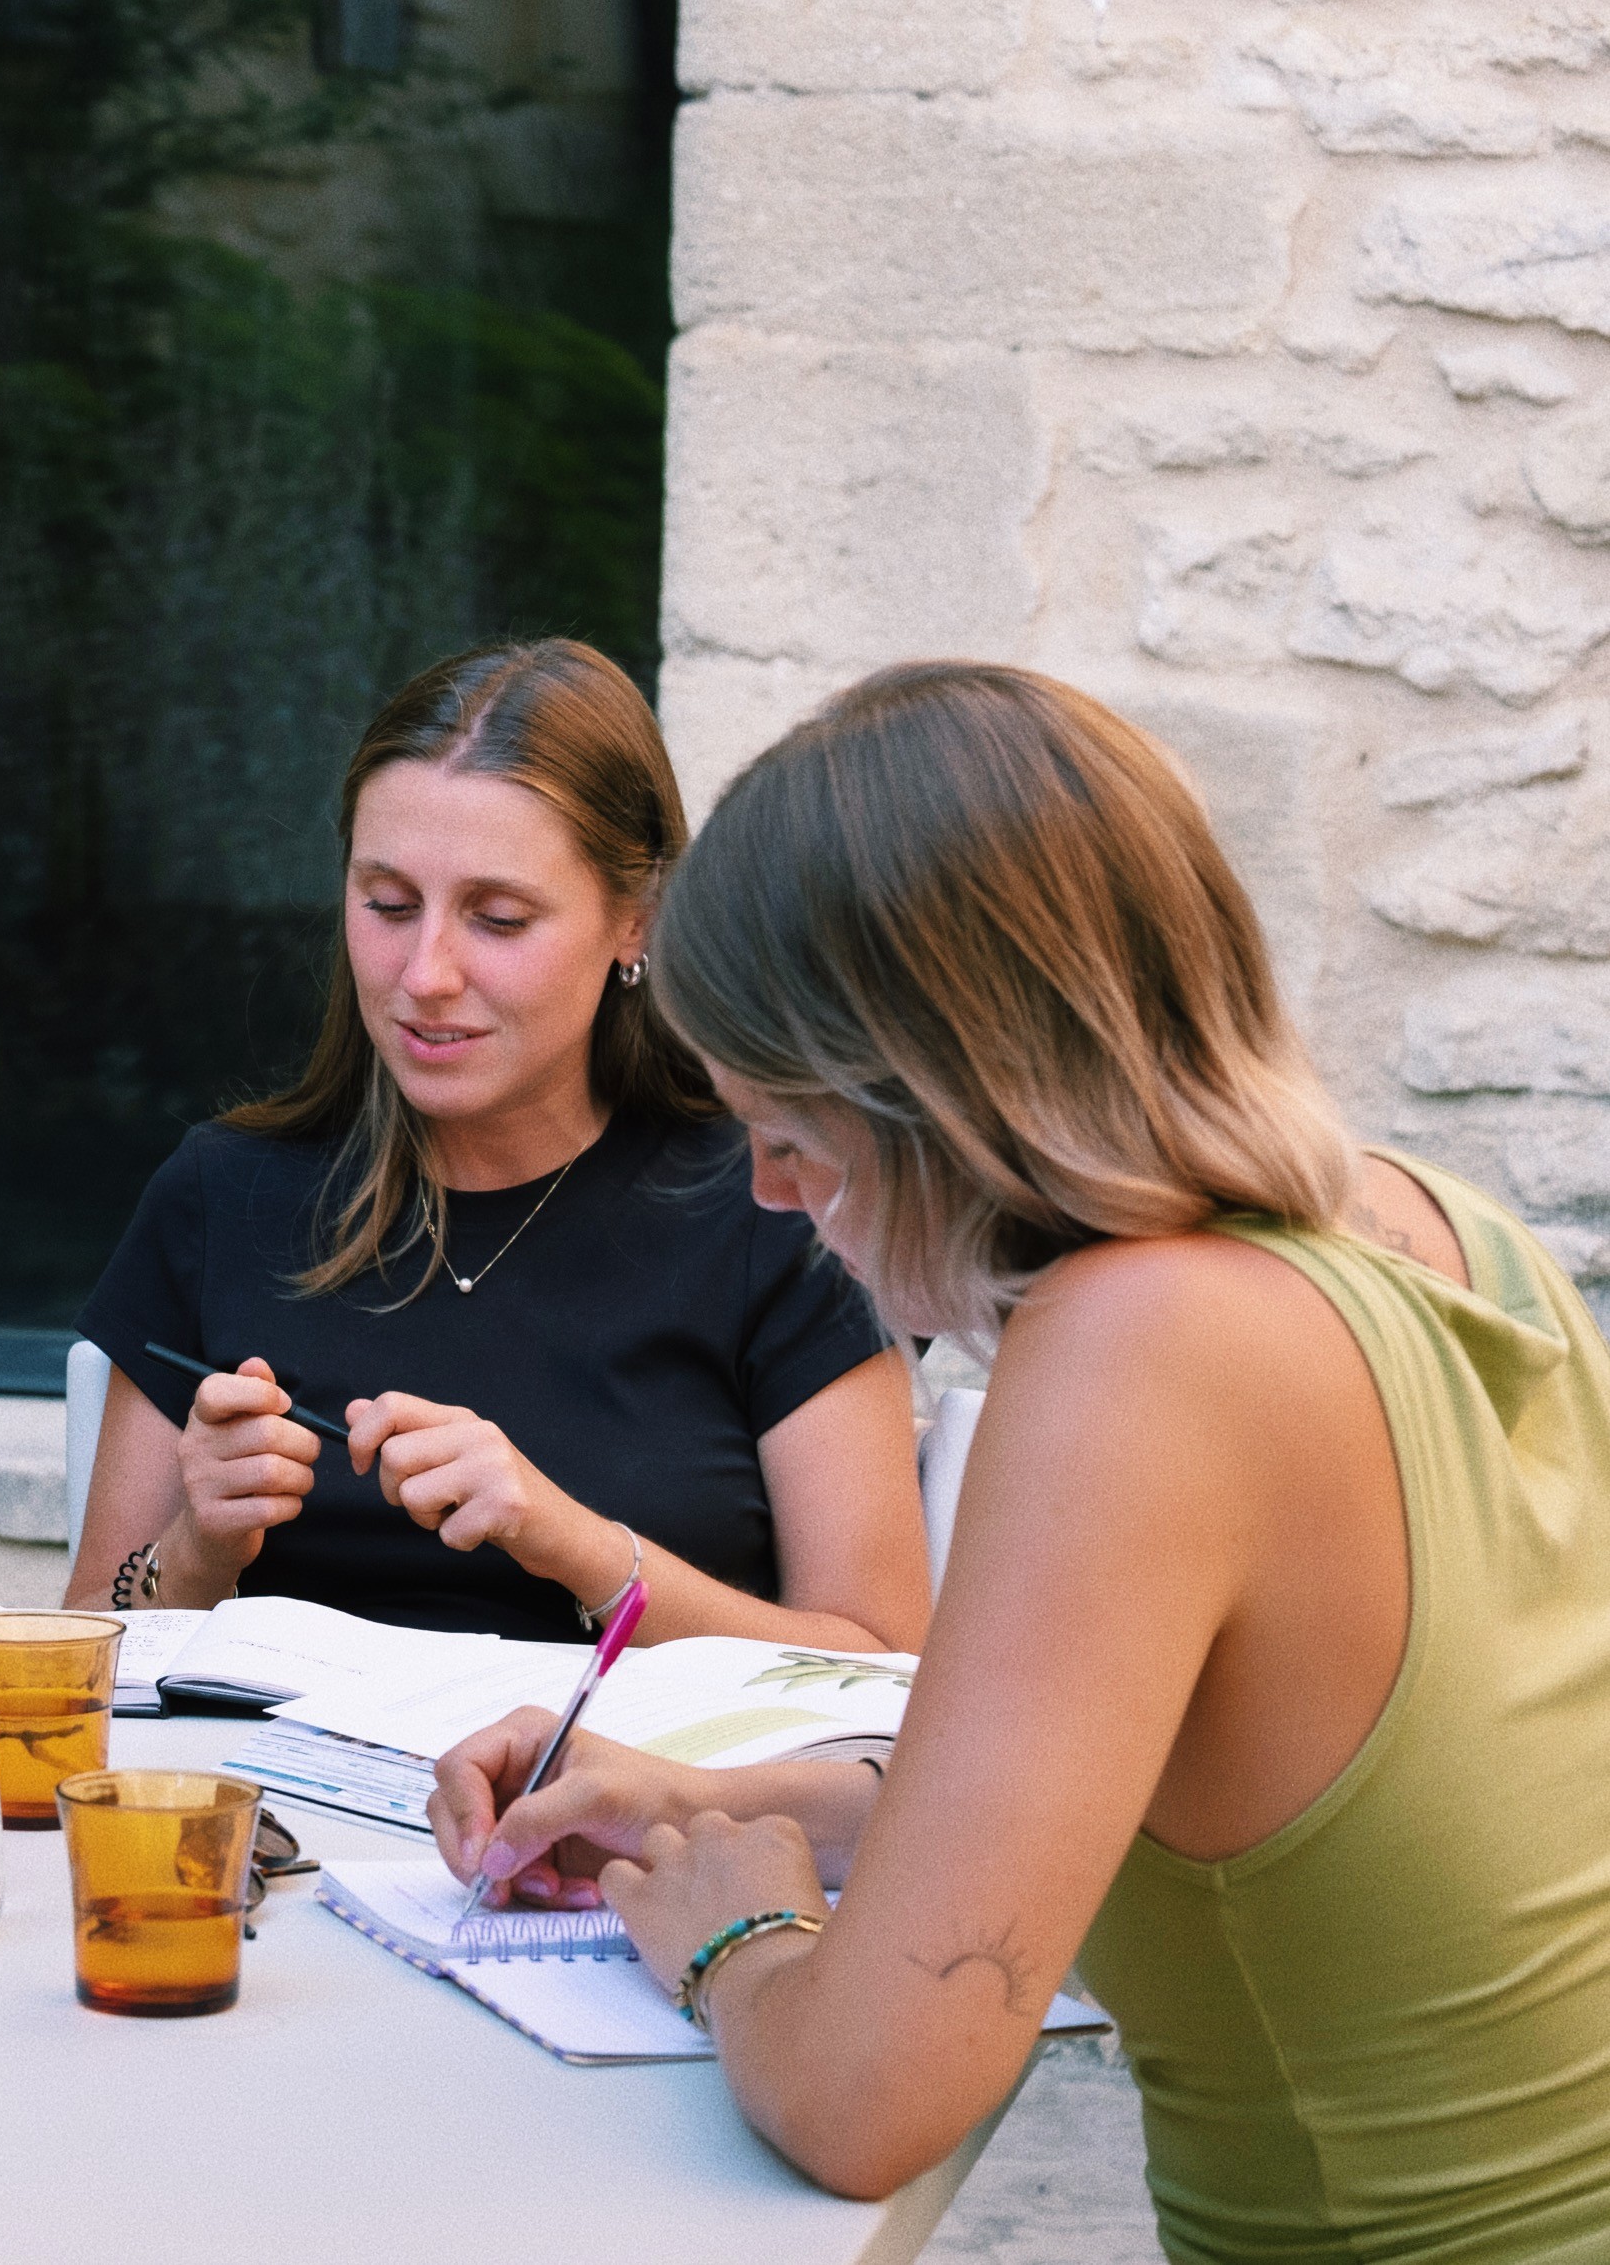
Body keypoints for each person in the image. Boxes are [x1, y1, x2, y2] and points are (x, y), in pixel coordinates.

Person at [431, 662, 1610, 2254]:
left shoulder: (1139, 1343)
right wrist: (710, 1803)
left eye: (786, 1135)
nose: (772, 1198)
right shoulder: (1440, 1233)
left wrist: (737, 1933)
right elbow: (1145, 1766)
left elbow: (862, 2102)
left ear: (933, 1092)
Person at [66, 640, 927, 1649]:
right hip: (275, 1803)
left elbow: (874, 1660)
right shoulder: (223, 1197)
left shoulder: (774, 1204)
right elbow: (79, 1642)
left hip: (617, 1801)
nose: (425, 971)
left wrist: (571, 1543)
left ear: (636, 919)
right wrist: (198, 1550)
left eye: (499, 918)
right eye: (387, 903)